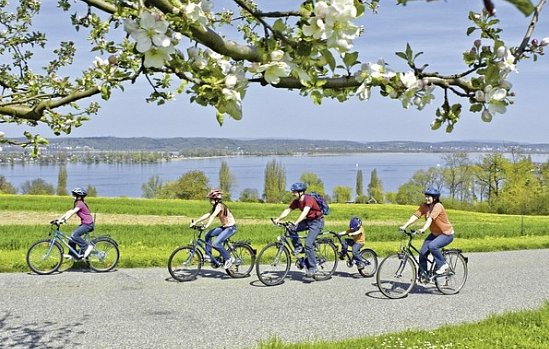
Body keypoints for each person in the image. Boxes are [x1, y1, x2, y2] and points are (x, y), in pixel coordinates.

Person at [399, 187, 454, 282]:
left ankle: (443, 265)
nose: (426, 198)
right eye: (426, 196)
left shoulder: (438, 206)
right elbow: (415, 216)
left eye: (429, 196)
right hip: (434, 234)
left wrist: (424, 229)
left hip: (446, 234)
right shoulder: (424, 206)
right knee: (422, 254)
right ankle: (424, 275)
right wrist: (405, 226)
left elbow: (430, 219)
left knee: (432, 246)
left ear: (435, 198)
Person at [274, 182, 324, 278]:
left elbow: (305, 212)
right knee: (290, 227)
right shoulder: (297, 201)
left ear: (301, 192)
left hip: (317, 222)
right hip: (308, 221)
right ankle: (298, 247)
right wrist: (278, 219)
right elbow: (288, 210)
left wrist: (296, 222)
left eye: (294, 192)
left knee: (308, 244)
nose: (293, 193)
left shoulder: (309, 199)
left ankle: (313, 267)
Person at [190, 189, 237, 269]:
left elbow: (212, 216)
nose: (209, 201)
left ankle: (229, 259)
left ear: (216, 199)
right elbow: (208, 214)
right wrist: (196, 222)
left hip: (230, 228)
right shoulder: (215, 206)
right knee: (208, 234)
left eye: (211, 199)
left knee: (216, 243)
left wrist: (206, 225)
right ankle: (208, 255)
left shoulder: (220, 206)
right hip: (224, 227)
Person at [55, 187, 95, 259]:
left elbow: (73, 212)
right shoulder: (77, 202)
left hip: (88, 224)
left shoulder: (80, 203)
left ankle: (87, 248)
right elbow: (70, 211)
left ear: (79, 197)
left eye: (74, 195)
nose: (72, 196)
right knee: (72, 237)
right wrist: (60, 219)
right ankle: (73, 254)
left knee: (74, 235)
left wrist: (65, 220)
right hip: (84, 224)